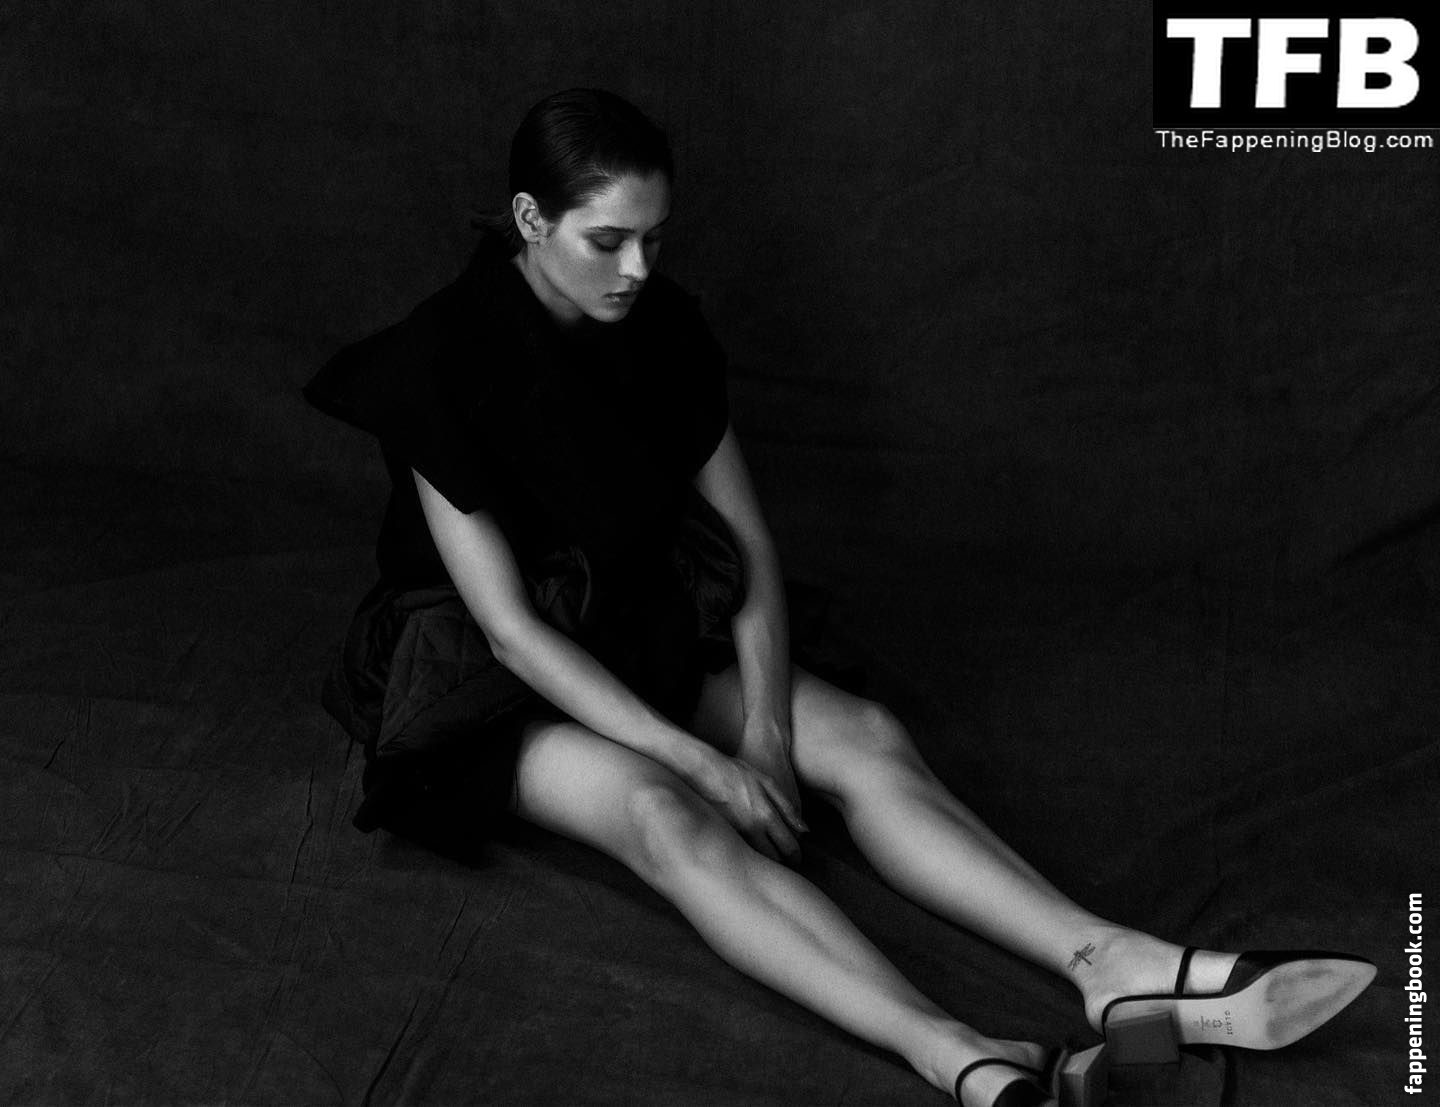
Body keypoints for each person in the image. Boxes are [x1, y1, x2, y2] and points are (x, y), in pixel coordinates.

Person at [303, 88, 1375, 1107]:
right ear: (532, 219)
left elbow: (746, 546)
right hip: (490, 674)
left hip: (634, 614)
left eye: (656, 238)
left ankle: (1109, 960)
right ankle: (955, 1050)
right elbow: (511, 633)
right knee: (663, 815)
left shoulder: (663, 326)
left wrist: (766, 734)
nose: (637, 269)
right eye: (609, 240)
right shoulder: (434, 359)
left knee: (860, 734)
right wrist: (708, 765)